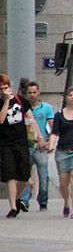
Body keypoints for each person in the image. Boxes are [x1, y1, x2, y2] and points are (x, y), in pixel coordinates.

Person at [0, 74, 45, 218]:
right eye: (1, 89)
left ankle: (17, 198)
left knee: (25, 175)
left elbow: (31, 118)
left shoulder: (21, 101)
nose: (4, 91)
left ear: (10, 87)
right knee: (10, 174)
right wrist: (6, 101)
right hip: (5, 143)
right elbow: (1, 120)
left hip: (21, 142)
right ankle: (13, 206)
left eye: (6, 88)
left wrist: (39, 136)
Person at [49, 87, 73, 219]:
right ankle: (66, 202)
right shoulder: (59, 115)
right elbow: (55, 132)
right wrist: (51, 145)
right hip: (62, 151)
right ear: (66, 98)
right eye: (69, 95)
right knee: (63, 182)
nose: (72, 97)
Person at [19, 82, 54, 212]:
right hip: (26, 145)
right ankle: (24, 199)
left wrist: (49, 141)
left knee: (43, 176)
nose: (32, 95)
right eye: (30, 93)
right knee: (24, 175)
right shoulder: (22, 108)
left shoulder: (46, 108)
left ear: (38, 93)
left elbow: (52, 126)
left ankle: (43, 200)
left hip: (40, 146)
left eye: (34, 92)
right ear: (26, 94)